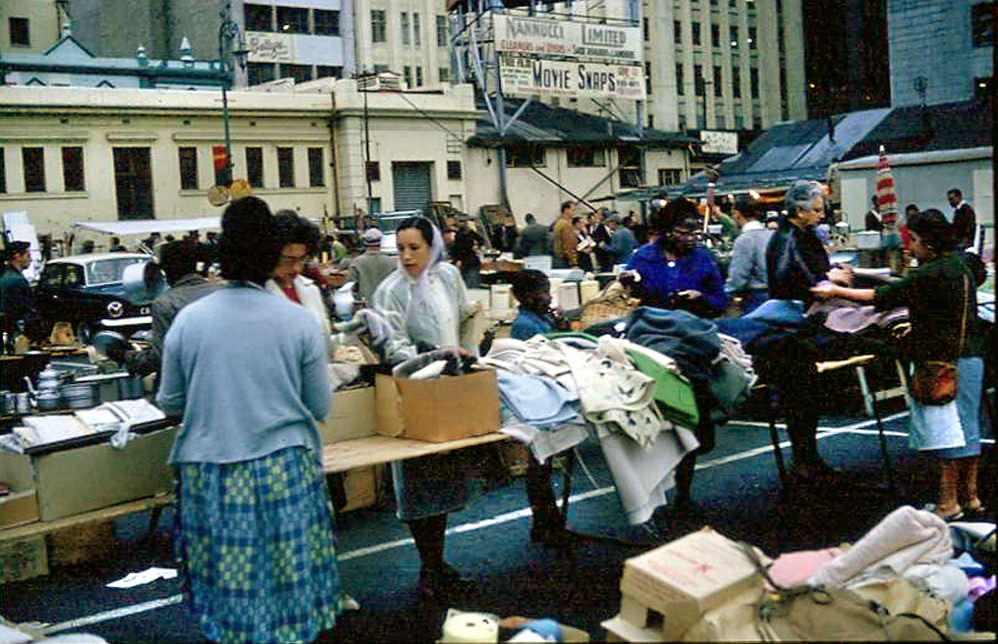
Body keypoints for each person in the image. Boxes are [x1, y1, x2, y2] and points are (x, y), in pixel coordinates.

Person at [157, 196, 348, 643]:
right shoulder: (297, 322)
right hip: (285, 471)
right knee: (290, 589)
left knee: (232, 592)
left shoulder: (189, 321)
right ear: (270, 252)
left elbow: (170, 401)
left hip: (213, 474)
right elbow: (319, 406)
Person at [811, 209, 984, 520]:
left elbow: (881, 296)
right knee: (968, 431)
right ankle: (971, 499)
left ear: (929, 244)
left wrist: (835, 290)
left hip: (941, 362)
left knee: (944, 434)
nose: (909, 247)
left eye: (913, 240)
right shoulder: (960, 267)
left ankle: (947, 505)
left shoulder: (929, 273)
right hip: (971, 357)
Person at [370, 215, 481, 600]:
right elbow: (391, 344)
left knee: (445, 477)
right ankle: (430, 567)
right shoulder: (391, 291)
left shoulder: (447, 277)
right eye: (400, 248)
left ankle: (437, 563)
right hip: (414, 390)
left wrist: (469, 357)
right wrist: (431, 355)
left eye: (414, 247)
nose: (406, 256)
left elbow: (465, 318)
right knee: (419, 483)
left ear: (432, 247)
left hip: (449, 387)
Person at [764, 179, 853, 482]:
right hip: (791, 326)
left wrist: (830, 276)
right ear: (799, 211)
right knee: (799, 397)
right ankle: (804, 461)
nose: (820, 215)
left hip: (800, 323)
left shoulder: (802, 235)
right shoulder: (789, 239)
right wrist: (832, 279)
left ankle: (808, 459)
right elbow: (807, 281)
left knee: (806, 398)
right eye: (815, 210)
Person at [109, 240, 221, 378]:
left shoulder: (166, 303)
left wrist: (125, 355)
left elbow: (161, 358)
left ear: (167, 271)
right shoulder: (221, 292)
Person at [623, 198, 727, 318]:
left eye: (694, 234)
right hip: (653, 326)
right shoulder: (643, 257)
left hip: (694, 326)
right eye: (682, 233)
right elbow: (628, 295)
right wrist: (628, 282)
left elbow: (721, 300)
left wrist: (701, 298)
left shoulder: (703, 257)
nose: (689, 238)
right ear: (666, 231)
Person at [265, 212, 333, 355]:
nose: (296, 268)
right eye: (288, 260)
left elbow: (324, 341)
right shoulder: (259, 296)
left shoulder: (311, 290)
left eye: (302, 259)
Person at [725, 193, 774, 314]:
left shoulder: (745, 239)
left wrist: (724, 293)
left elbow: (738, 278)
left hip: (757, 298)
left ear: (737, 214)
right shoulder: (772, 235)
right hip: (776, 294)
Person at [0, 241, 40, 342]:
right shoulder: (17, 280)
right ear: (17, 256)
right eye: (28, 255)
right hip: (17, 333)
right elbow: (25, 310)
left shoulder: (6, 277)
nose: (30, 259)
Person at [347, 228, 396, 303]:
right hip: (387, 305)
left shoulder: (356, 263)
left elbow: (350, 288)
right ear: (380, 243)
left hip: (365, 307)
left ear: (365, 243)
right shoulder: (391, 262)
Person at [451, 223, 484, 289]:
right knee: (471, 285)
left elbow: (481, 241)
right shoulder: (465, 236)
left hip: (465, 263)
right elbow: (481, 241)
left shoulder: (459, 236)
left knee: (466, 285)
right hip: (470, 263)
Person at [947, 188, 980, 253]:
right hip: (959, 240)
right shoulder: (959, 210)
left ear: (959, 197)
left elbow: (970, 226)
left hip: (963, 242)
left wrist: (965, 240)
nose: (950, 202)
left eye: (951, 199)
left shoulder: (966, 210)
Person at [552, 201, 578, 268]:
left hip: (558, 258)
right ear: (566, 210)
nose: (575, 213)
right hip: (566, 260)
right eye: (573, 210)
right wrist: (574, 262)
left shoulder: (558, 223)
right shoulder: (566, 225)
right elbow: (568, 245)